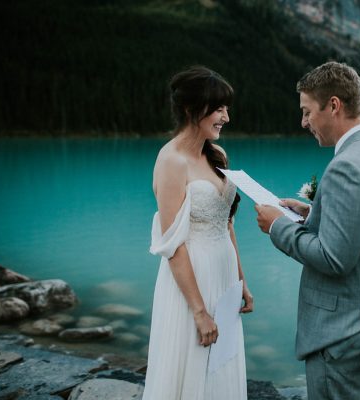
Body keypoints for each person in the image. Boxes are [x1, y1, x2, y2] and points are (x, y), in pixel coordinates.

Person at [255, 61, 360, 400]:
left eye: (307, 111)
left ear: (334, 105)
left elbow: (334, 259)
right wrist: (314, 214)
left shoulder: (347, 167)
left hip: (340, 335)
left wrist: (277, 226)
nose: (304, 122)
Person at [144, 66, 253, 400]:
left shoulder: (217, 155)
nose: (226, 117)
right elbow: (172, 245)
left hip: (223, 277)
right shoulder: (171, 160)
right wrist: (199, 311)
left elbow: (228, 224)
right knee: (193, 363)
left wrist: (241, 282)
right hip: (190, 282)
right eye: (218, 108)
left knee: (222, 363)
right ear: (193, 110)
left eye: (226, 108)